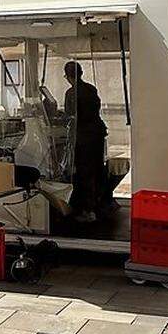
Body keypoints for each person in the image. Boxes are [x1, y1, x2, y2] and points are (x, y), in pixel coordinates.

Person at [63, 61, 108, 223]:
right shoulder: (91, 89)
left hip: (83, 138)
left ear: (68, 77)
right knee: (97, 170)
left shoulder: (71, 93)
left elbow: (70, 116)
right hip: (97, 133)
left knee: (84, 173)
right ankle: (99, 205)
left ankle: (88, 211)